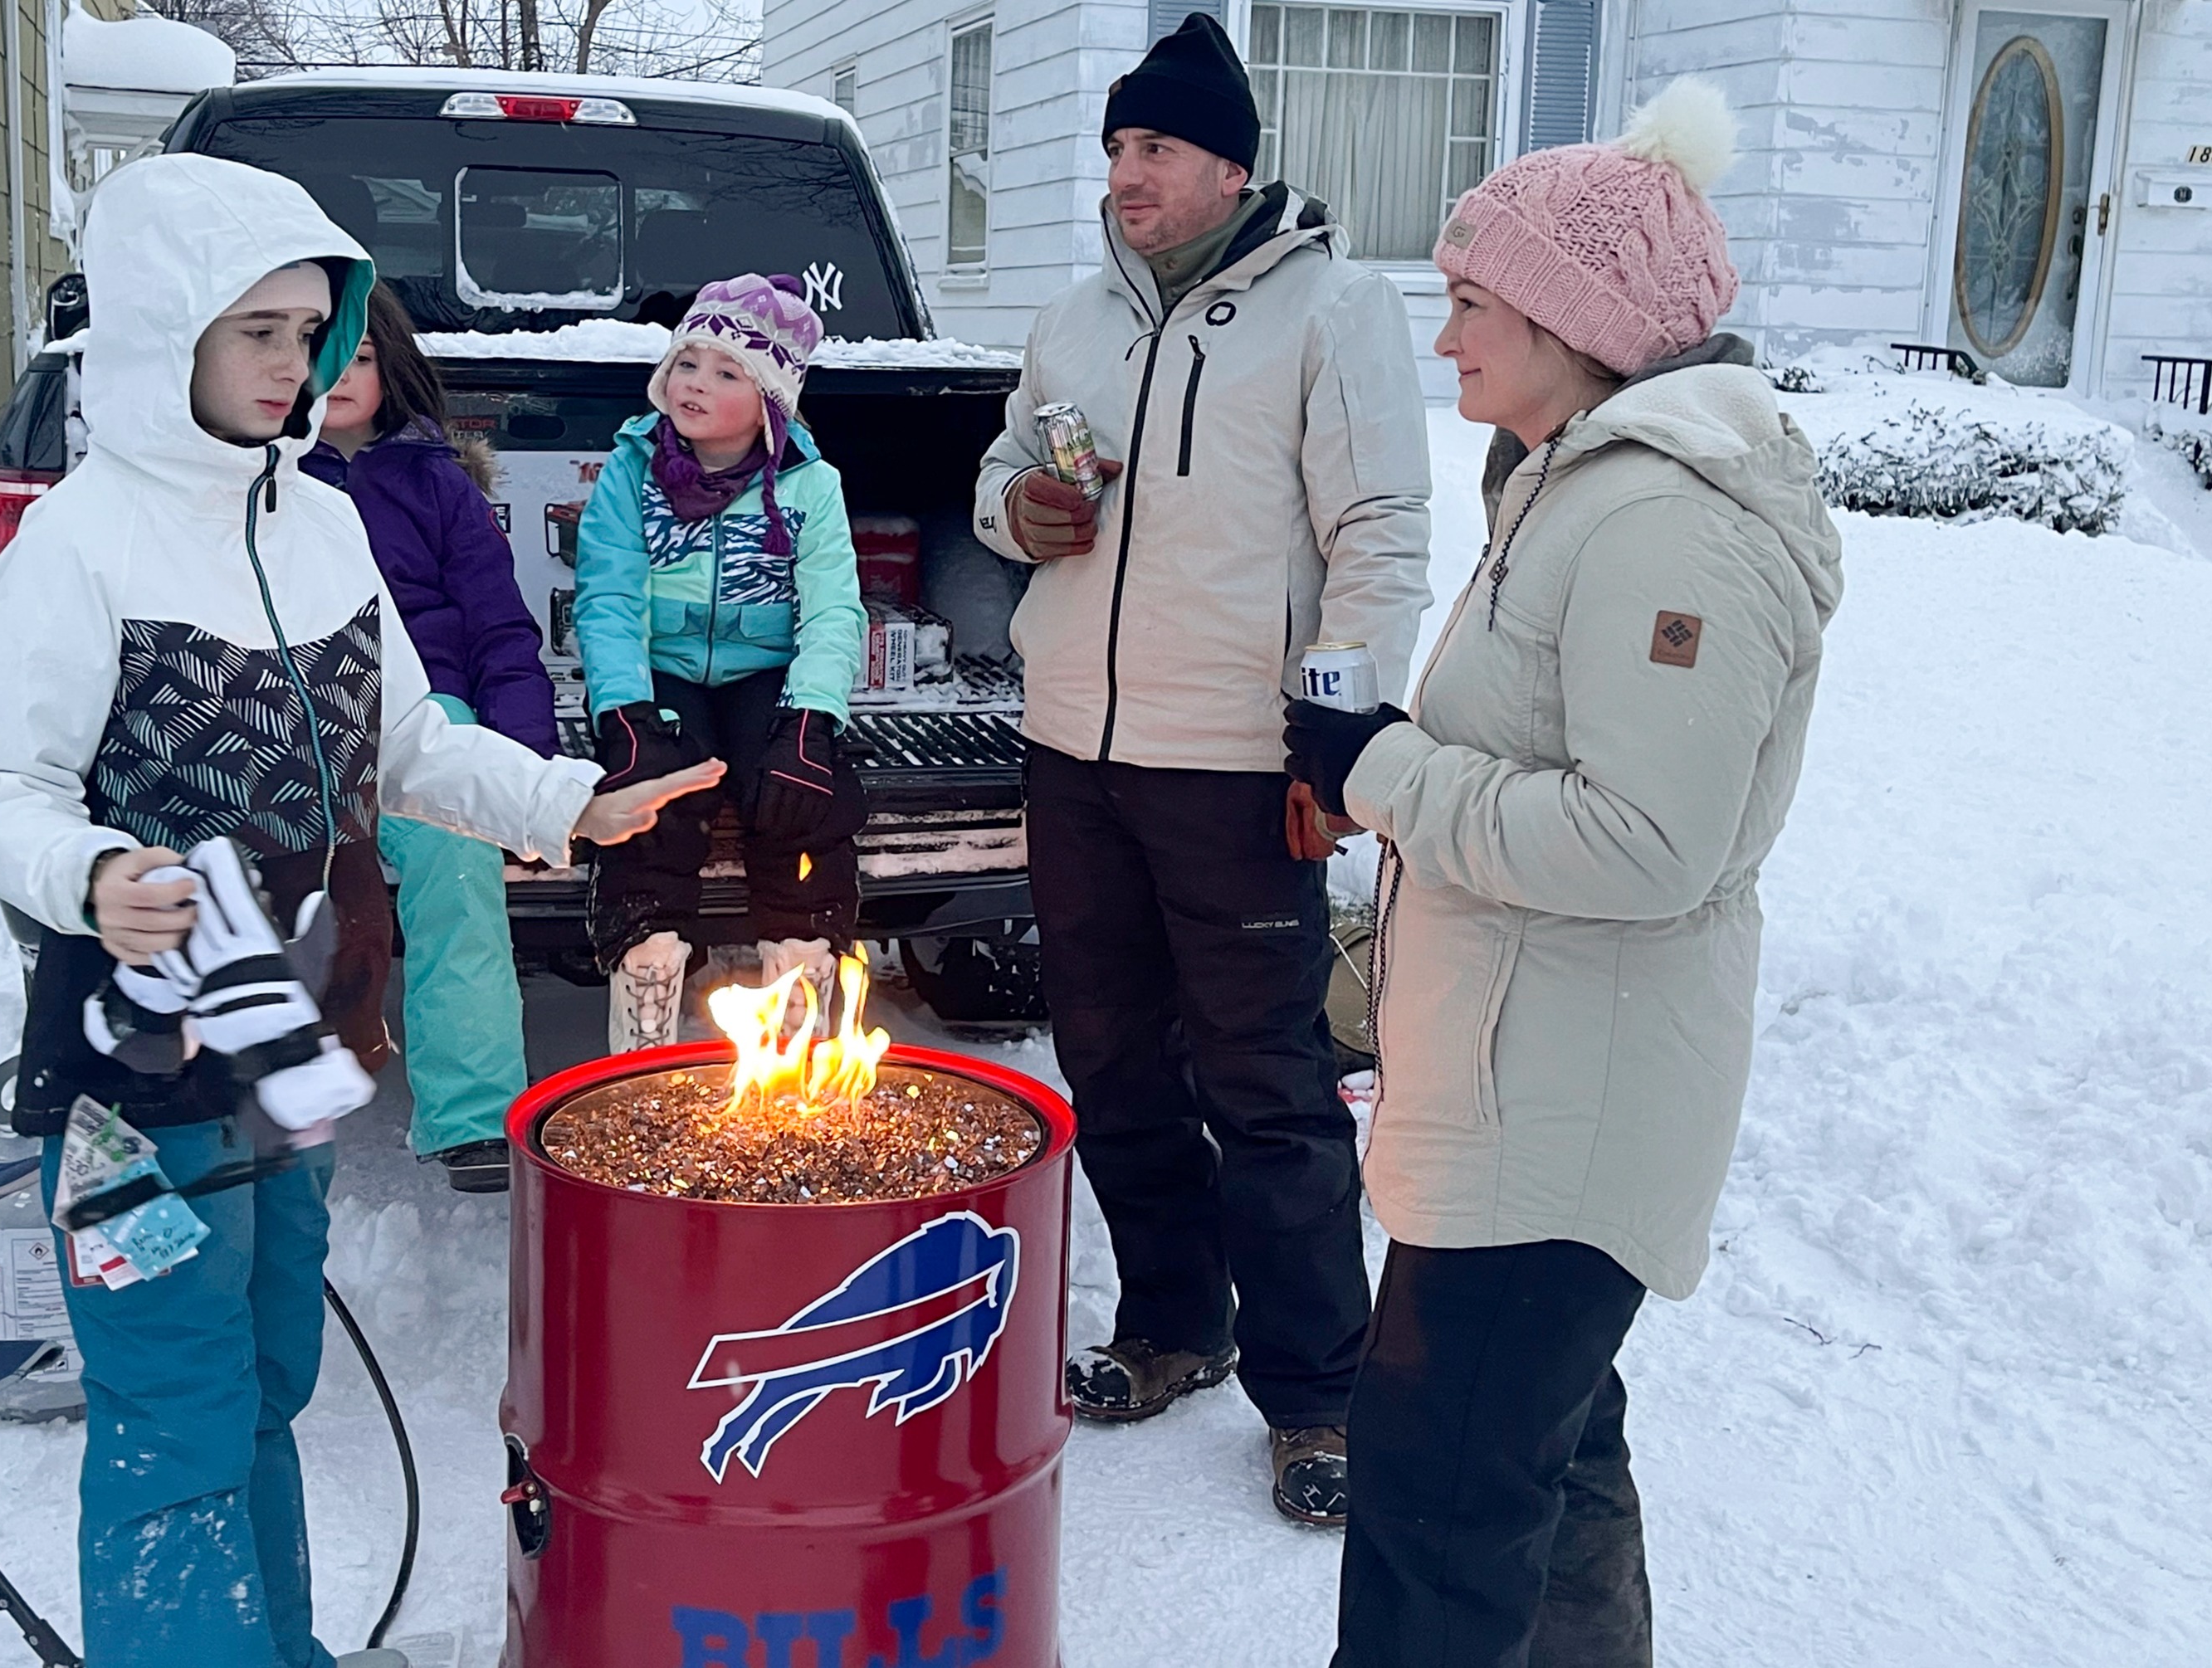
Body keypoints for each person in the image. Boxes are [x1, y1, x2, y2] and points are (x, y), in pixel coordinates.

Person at [0, 153, 719, 1668]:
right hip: (134, 1073)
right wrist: (91, 876)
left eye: (313, 329)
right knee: (174, 1408)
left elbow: (409, 745)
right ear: (171, 332)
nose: (298, 362)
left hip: (288, 1045)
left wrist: (570, 804)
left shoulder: (323, 522)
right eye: (262, 332)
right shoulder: (86, 542)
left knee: (271, 1373)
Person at [1282, 80, 1839, 1665]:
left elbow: (1645, 843)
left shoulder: (1664, 520)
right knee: (1550, 1463)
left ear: (1571, 321)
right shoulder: (1574, 487)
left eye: (1470, 305)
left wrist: (1382, 771)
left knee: (1437, 1524)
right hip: (1526, 1088)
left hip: (1566, 1119)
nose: (1445, 338)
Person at [968, 10, 1432, 1526]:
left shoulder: (1330, 311)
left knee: (1267, 1078)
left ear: (1230, 162)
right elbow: (998, 477)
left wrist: (1340, 727)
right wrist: (1016, 511)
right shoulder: (1075, 317)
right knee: (1107, 1058)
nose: (1125, 174)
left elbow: (1376, 533)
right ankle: (1174, 1321)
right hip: (1073, 748)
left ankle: (1319, 1397)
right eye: (1113, 147)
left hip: (1236, 758)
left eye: (1153, 146)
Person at [574, 274, 869, 1051]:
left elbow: (834, 608)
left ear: (771, 400)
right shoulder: (631, 471)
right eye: (686, 363)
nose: (694, 384)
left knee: (799, 798)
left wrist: (811, 719)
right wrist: (625, 713)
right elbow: (607, 599)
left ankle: (800, 970)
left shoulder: (811, 484)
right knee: (658, 793)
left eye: (726, 372)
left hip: (764, 669)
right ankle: (647, 962)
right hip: (660, 666)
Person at [303, 284, 554, 1195]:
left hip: (430, 719)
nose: (337, 376)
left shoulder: (434, 483)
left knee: (456, 862)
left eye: (360, 358)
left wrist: (520, 763)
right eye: (318, 351)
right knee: (275, 882)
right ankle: (261, 1098)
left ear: (391, 372)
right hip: (291, 713)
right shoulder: (252, 485)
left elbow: (498, 628)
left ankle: (474, 1113)